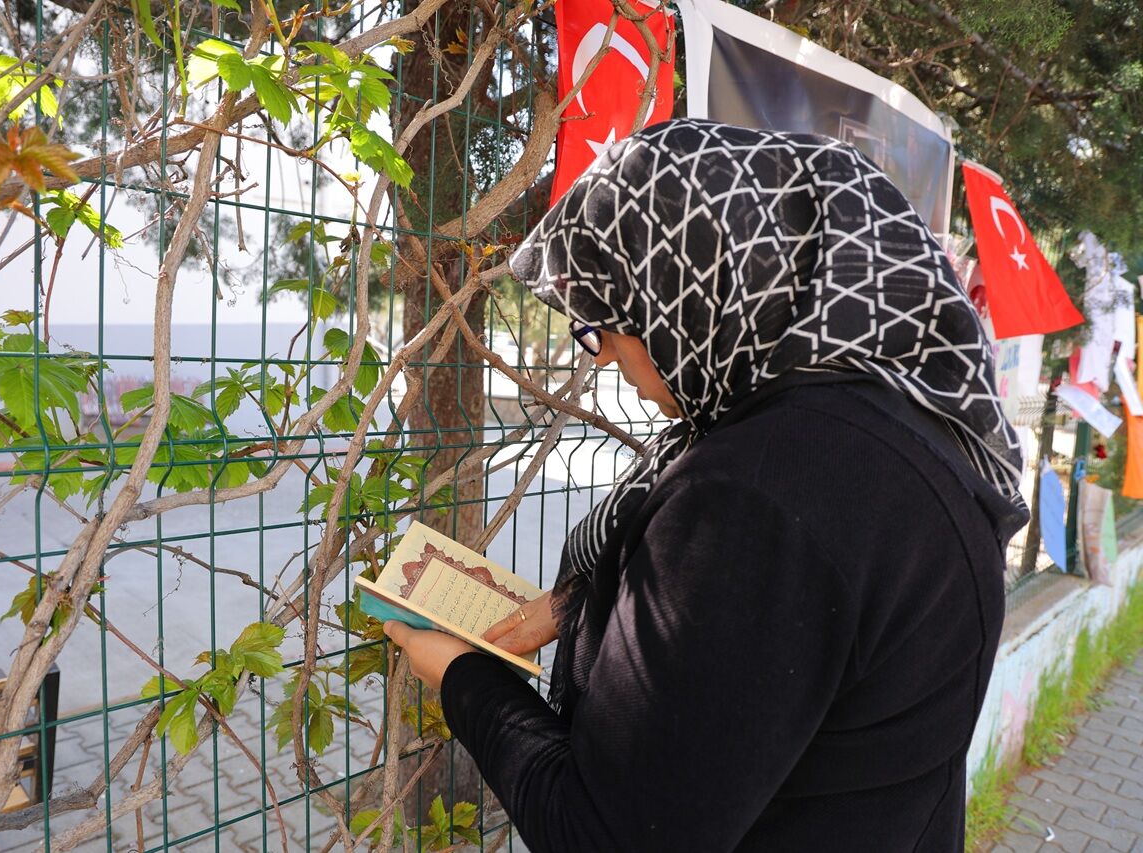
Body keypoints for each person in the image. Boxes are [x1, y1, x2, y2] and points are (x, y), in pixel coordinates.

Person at [383, 119, 1028, 852]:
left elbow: (606, 834)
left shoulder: (759, 498)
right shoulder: (900, 423)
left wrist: (465, 678)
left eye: (602, 322)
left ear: (681, 297)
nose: (601, 357)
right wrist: (581, 601)